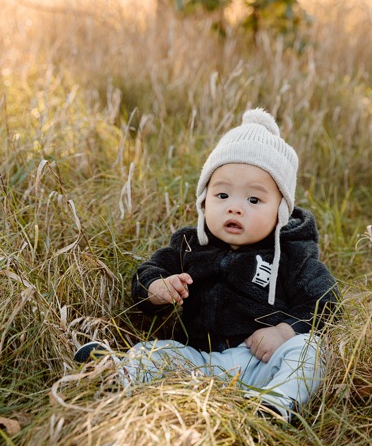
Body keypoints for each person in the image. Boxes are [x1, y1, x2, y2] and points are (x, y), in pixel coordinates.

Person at [76, 108, 338, 422]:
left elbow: (326, 302)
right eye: (222, 195)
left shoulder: (292, 254)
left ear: (280, 211)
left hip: (260, 364)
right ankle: (117, 375)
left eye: (253, 200)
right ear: (204, 202)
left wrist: (284, 332)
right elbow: (148, 271)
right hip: (199, 361)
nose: (235, 208)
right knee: (158, 352)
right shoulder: (190, 245)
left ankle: (274, 405)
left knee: (308, 350)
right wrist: (158, 288)